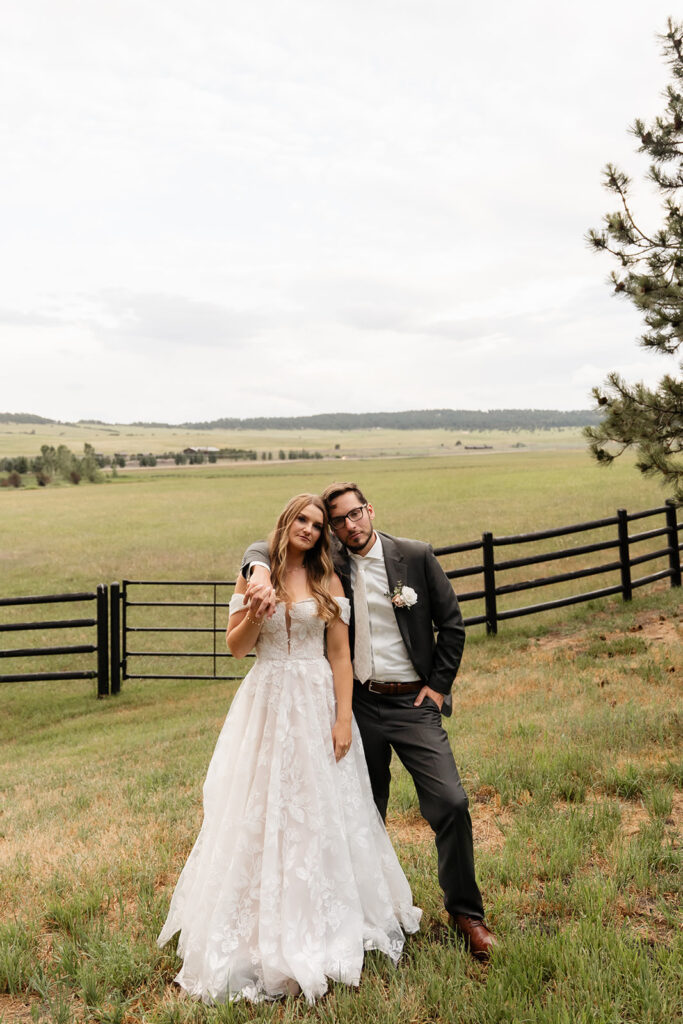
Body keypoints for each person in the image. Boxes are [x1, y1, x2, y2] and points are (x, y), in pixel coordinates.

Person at [157, 493, 420, 1004]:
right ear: (285, 522)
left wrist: (343, 718)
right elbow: (236, 648)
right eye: (302, 519)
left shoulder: (327, 579)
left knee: (320, 809)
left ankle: (329, 912)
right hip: (266, 700)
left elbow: (340, 655)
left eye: (318, 524)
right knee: (259, 809)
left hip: (317, 700)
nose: (309, 528)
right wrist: (257, 612)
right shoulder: (256, 574)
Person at [243, 482, 497, 961]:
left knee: (451, 802)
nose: (348, 526)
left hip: (412, 705)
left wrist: (437, 687)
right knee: (357, 812)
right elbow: (269, 543)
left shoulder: (415, 556)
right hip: (356, 704)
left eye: (353, 514)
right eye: (337, 521)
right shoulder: (330, 562)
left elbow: (453, 624)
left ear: (369, 510)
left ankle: (466, 913)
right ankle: (357, 911)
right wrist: (255, 565)